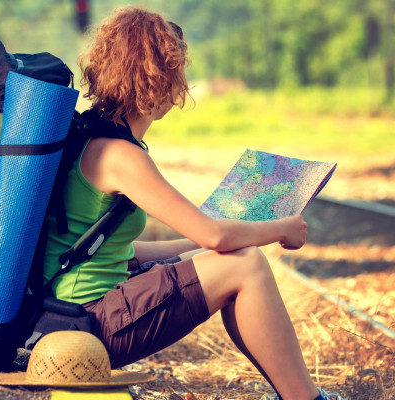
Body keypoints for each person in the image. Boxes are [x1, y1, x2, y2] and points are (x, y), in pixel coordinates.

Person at [42, 6, 341, 400]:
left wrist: (198, 248)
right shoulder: (120, 156)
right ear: (157, 79)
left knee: (231, 257)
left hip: (70, 315)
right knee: (246, 265)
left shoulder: (90, 136)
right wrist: (280, 228)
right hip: (86, 327)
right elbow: (215, 235)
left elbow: (119, 252)